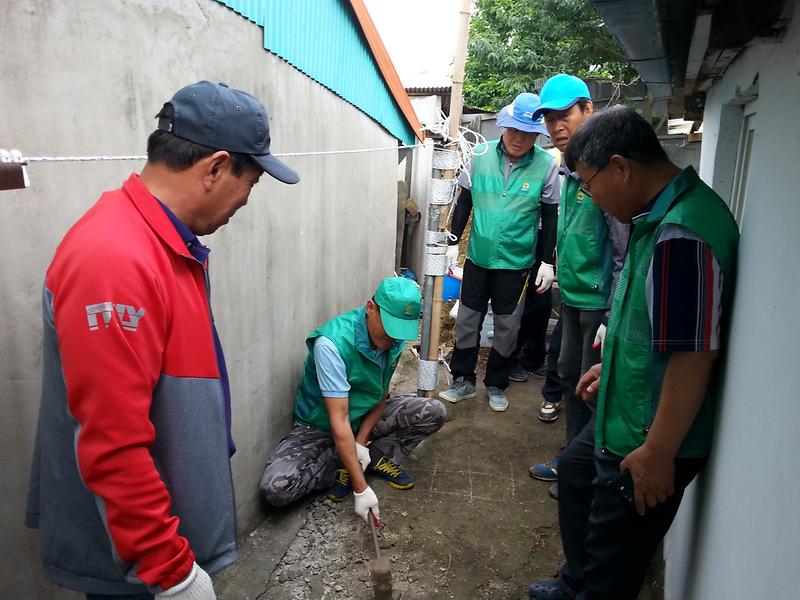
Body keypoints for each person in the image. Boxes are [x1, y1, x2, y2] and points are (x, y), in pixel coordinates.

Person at [24, 81, 299, 600]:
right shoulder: (114, 258)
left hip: (160, 541)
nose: (245, 201)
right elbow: (113, 440)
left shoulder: (166, 243)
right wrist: (170, 572)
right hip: (137, 565)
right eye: (251, 183)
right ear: (215, 168)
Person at [528, 106, 739, 599]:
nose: (589, 196)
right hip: (626, 409)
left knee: (613, 566)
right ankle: (575, 583)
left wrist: (658, 454)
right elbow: (657, 328)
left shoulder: (681, 236)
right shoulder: (657, 216)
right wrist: (614, 366)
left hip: (647, 438)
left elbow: (692, 356)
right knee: (575, 472)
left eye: (589, 183)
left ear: (621, 168)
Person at [259, 277, 446, 523]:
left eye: (401, 330)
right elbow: (339, 419)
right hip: (319, 427)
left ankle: (370, 455)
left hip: (362, 416)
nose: (393, 338)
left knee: (433, 411)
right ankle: (344, 463)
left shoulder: (394, 341)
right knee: (276, 488)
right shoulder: (332, 345)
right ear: (370, 308)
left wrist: (361, 442)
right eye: (390, 327)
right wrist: (361, 487)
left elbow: (381, 395)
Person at [528, 75, 629, 497]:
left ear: (588, 109)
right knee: (569, 374)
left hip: (597, 302)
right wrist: (552, 263)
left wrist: (612, 312)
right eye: (549, 118)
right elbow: (568, 230)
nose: (556, 126)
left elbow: (624, 250)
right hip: (571, 296)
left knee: (591, 385)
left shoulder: (605, 169)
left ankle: (587, 474)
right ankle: (572, 458)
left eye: (564, 115)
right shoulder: (568, 169)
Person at [439, 92, 561, 412]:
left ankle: (496, 383)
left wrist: (547, 261)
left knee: (507, 327)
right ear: (504, 126)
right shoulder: (479, 155)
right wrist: (453, 242)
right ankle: (463, 380)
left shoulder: (546, 166)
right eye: (514, 130)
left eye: (528, 133)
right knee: (468, 320)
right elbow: (464, 201)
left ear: (537, 135)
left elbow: (550, 216)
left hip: (516, 263)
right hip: (478, 257)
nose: (519, 139)